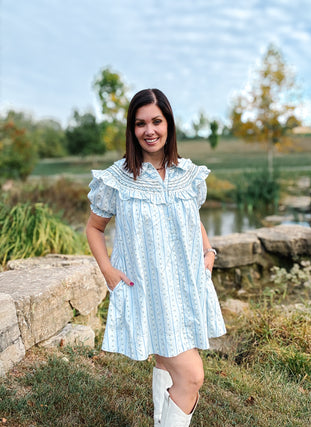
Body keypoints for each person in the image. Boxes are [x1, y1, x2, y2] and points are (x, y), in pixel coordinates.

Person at [86, 88, 226, 426]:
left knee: (166, 364)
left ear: (169, 124)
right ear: (132, 130)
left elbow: (192, 218)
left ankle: (159, 419)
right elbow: (94, 228)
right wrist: (108, 270)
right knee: (191, 377)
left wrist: (208, 252)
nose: (149, 130)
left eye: (156, 121)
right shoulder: (118, 179)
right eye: (140, 123)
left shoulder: (189, 175)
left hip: (184, 289)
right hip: (146, 292)